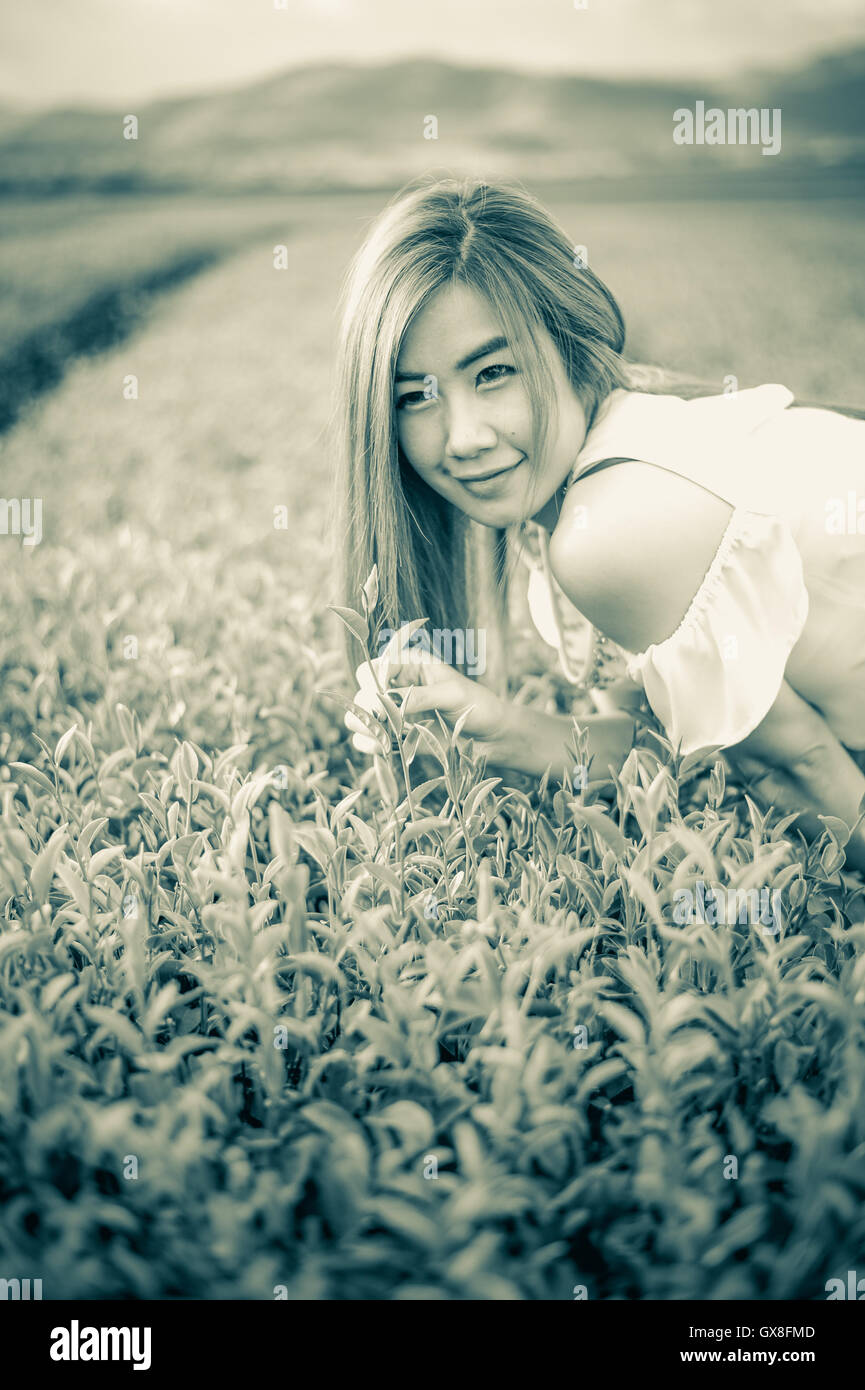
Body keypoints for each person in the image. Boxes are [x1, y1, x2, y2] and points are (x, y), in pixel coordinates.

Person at [335, 174, 865, 868]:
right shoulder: (613, 461)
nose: (461, 436)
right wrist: (489, 722)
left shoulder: (610, 531)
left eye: (493, 372)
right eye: (414, 396)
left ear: (569, 343)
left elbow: (795, 769)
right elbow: (669, 743)